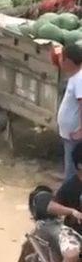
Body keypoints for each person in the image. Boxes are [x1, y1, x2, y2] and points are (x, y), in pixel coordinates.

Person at [58, 48, 82, 180]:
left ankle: (71, 191)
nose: (60, 61)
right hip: (69, 134)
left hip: (74, 135)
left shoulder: (80, 79)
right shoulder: (75, 77)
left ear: (68, 61)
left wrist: (81, 131)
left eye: (62, 58)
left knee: (72, 172)